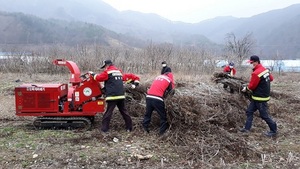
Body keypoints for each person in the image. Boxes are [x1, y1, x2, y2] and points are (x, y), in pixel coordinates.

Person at [240, 55, 277, 137]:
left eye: (252, 63)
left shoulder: (256, 73)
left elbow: (252, 86)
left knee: (264, 115)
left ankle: (273, 130)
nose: (251, 64)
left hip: (260, 98)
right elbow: (271, 79)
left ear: (256, 62)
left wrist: (246, 88)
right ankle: (246, 129)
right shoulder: (265, 70)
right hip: (258, 97)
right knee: (249, 111)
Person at [93, 60, 133, 133]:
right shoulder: (119, 71)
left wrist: (93, 75)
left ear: (107, 65)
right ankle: (129, 128)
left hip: (112, 96)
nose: (105, 68)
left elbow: (98, 78)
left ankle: (104, 129)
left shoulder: (108, 72)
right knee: (124, 112)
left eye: (105, 67)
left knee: (108, 112)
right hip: (121, 95)